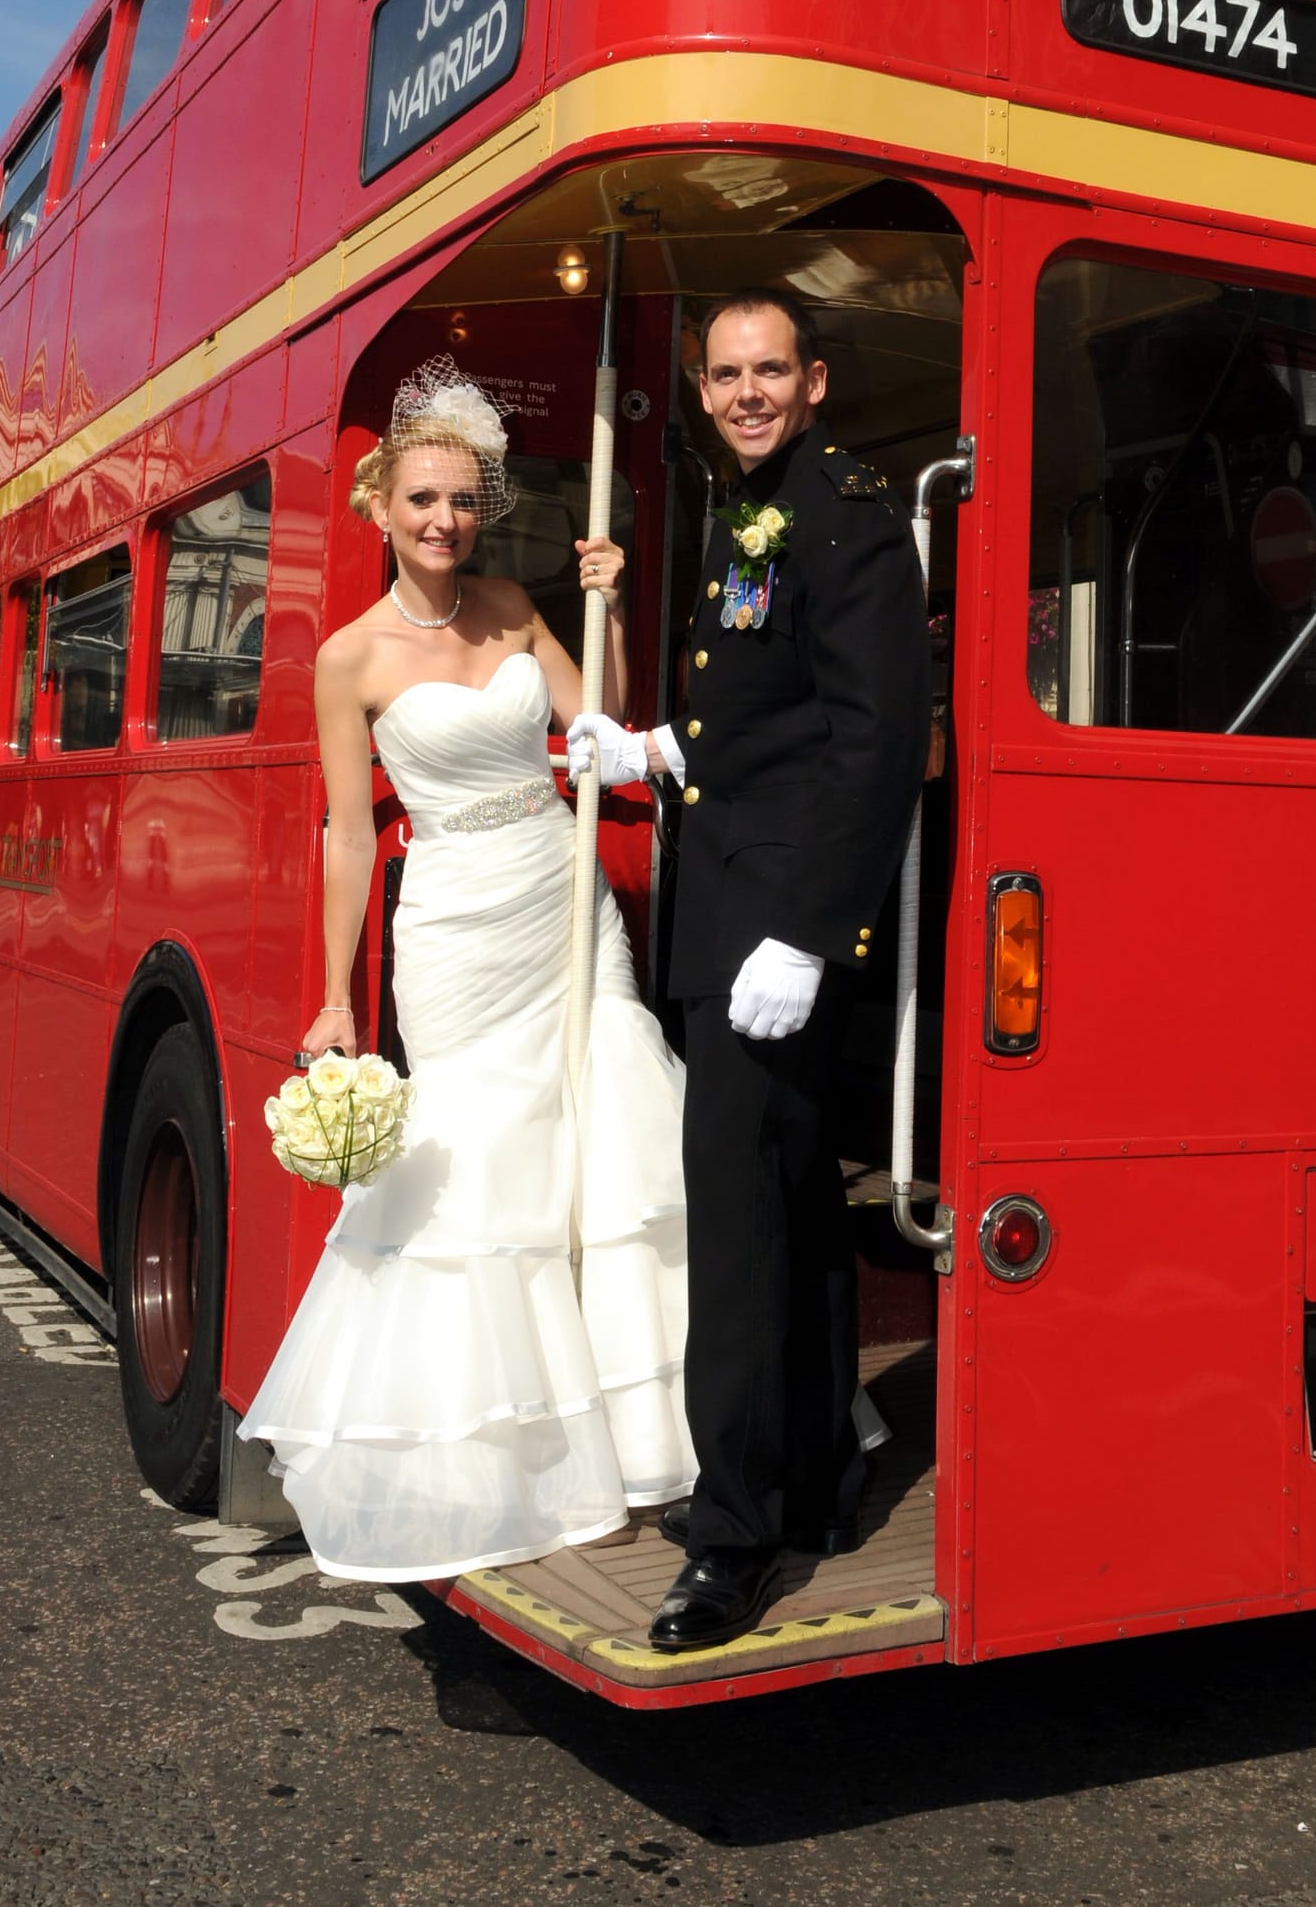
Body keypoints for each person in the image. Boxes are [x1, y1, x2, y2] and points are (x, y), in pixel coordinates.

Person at [239, 360, 694, 1581]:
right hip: (451, 924)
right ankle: (485, 1460)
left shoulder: (509, 603)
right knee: (480, 1167)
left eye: (461, 501)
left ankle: (641, 1438)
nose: (444, 522)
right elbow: (346, 832)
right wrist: (338, 998)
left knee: (612, 1130)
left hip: (562, 895)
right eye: (422, 501)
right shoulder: (349, 658)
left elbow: (600, 732)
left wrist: (601, 609)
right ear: (380, 505)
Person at [569, 290, 931, 1650]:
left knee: (733, 1230)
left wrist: (812, 926)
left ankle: (726, 1540)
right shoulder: (748, 502)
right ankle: (820, 1482)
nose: (745, 389)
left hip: (776, 931)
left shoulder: (842, 511)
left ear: (816, 378)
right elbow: (759, 720)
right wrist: (661, 748)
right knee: (787, 1208)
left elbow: (875, 738)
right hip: (731, 907)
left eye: (769, 368)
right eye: (724, 372)